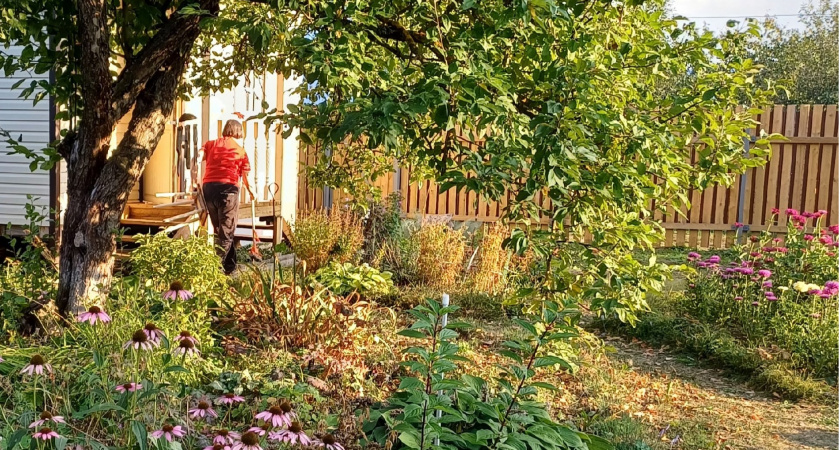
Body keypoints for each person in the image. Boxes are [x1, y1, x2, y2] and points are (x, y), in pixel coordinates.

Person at [196, 119, 254, 274]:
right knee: (226, 231)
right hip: (228, 190)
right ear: (238, 132)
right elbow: (246, 176)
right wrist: (251, 191)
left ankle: (230, 267)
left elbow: (198, 156)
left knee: (220, 230)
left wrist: (195, 176)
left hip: (209, 189)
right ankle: (215, 270)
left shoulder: (210, 144)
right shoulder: (240, 151)